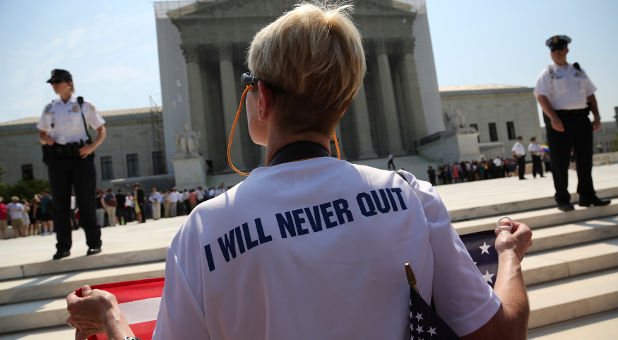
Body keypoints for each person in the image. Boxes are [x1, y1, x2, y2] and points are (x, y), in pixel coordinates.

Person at [66, 3, 531, 339]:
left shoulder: (204, 231)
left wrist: (110, 315)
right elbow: (502, 333)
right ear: (344, 102)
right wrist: (507, 254)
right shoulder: (412, 198)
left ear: (262, 99)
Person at [534, 35, 610, 211]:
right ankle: (562, 199)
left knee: (585, 159)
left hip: (581, 119)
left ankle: (587, 195)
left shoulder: (578, 71)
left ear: (567, 50)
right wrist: (553, 118)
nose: (557, 52)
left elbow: (590, 95)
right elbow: (541, 96)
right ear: (551, 54)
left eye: (560, 49)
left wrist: (597, 117)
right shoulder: (548, 73)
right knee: (560, 162)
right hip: (560, 120)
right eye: (554, 50)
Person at [37, 69, 105, 259]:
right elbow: (41, 134)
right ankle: (63, 247)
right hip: (58, 159)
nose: (54, 85)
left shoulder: (83, 105)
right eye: (52, 82)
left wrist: (91, 148)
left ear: (69, 83)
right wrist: (46, 139)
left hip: (81, 157)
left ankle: (94, 243)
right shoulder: (49, 107)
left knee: (86, 202)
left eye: (57, 81)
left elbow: (101, 130)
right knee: (60, 204)